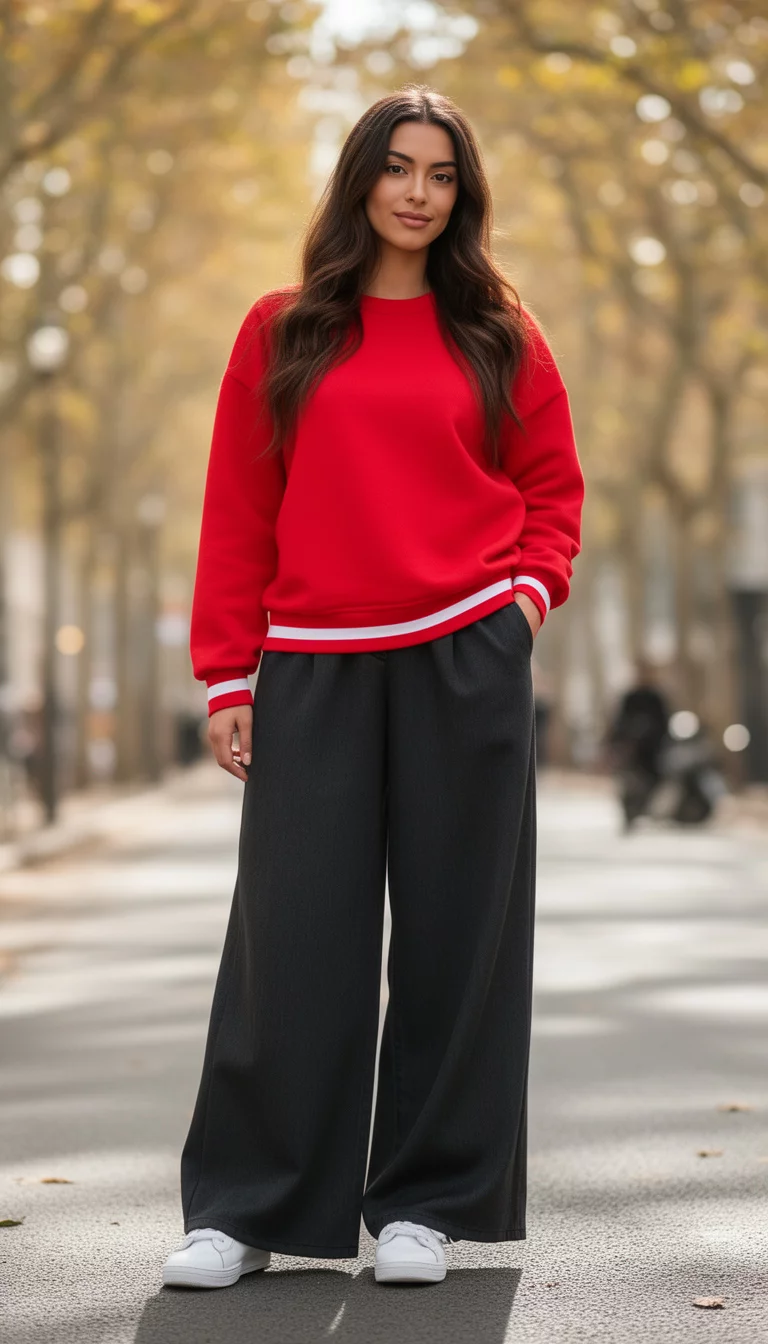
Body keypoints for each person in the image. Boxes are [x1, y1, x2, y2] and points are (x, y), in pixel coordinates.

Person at [161, 85, 584, 1290]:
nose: (415, 191)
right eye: (396, 167)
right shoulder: (281, 328)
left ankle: (426, 1205)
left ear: (463, 193)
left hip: (467, 653)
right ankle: (247, 1208)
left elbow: (554, 487)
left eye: (440, 173)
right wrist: (226, 672)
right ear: (358, 179)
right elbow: (239, 509)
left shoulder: (500, 330)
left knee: (463, 938)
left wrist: (523, 603)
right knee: (291, 941)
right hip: (314, 666)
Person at [606, 661, 671, 829]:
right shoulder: (630, 697)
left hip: (652, 751)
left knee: (653, 780)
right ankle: (630, 813)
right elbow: (619, 722)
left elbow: (664, 723)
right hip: (631, 751)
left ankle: (647, 810)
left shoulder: (657, 697)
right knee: (628, 783)